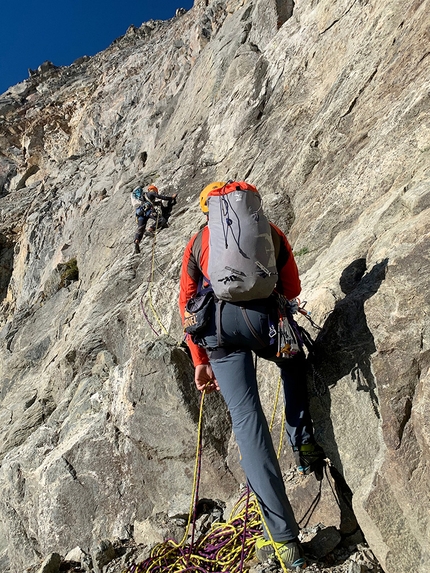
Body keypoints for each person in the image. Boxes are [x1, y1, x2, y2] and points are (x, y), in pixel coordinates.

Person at [178, 181, 324, 570]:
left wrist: (199, 360)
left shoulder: (198, 241)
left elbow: (187, 307)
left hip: (219, 332)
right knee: (293, 363)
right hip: (265, 323)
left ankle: (284, 541)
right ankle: (304, 445)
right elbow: (291, 288)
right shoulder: (269, 231)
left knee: (247, 420)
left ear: (209, 208)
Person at [132, 184, 178, 253]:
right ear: (153, 189)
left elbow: (152, 203)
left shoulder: (143, 197)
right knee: (161, 220)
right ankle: (151, 229)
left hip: (140, 215)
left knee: (140, 228)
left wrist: (159, 204)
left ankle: (136, 241)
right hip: (148, 212)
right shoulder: (151, 193)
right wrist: (171, 198)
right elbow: (161, 197)